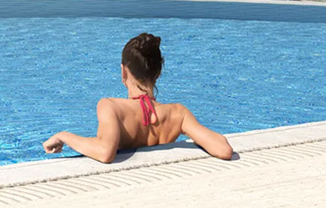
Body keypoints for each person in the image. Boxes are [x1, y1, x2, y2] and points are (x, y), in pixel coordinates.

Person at [43, 33, 233, 163]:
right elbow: (223, 149)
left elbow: (104, 152)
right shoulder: (178, 114)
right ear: (158, 73)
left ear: (123, 72)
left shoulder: (111, 107)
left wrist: (64, 136)